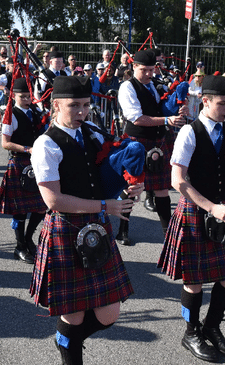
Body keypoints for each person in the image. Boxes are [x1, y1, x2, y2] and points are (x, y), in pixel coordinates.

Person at [30, 76, 142, 365]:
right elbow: (53, 200)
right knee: (75, 314)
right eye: (74, 106)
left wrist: (131, 182)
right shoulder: (46, 144)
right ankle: (70, 354)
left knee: (109, 314)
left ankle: (66, 340)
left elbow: (109, 167)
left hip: (96, 225)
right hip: (66, 229)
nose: (82, 112)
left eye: (86, 105)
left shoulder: (92, 132)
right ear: (56, 106)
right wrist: (106, 206)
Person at [158, 74, 225, 362]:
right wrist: (210, 207)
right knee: (194, 279)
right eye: (222, 103)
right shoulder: (189, 132)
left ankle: (212, 327)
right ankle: (191, 332)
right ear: (205, 101)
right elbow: (177, 180)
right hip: (196, 209)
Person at [117, 49, 187, 245]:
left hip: (158, 140)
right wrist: (167, 119)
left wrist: (178, 106)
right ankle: (123, 229)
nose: (149, 74)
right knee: (132, 187)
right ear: (134, 67)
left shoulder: (155, 85)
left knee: (162, 189)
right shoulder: (127, 87)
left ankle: (169, 234)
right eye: (144, 70)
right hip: (137, 142)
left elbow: (166, 105)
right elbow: (137, 118)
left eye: (152, 69)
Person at [0, 78, 47, 264]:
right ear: (13, 96)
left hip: (37, 164)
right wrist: (27, 149)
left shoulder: (34, 111)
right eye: (22, 96)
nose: (26, 99)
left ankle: (27, 238)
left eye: (28, 96)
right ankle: (19, 247)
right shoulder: (10, 114)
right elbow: (5, 143)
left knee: (42, 207)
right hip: (19, 163)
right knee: (20, 210)